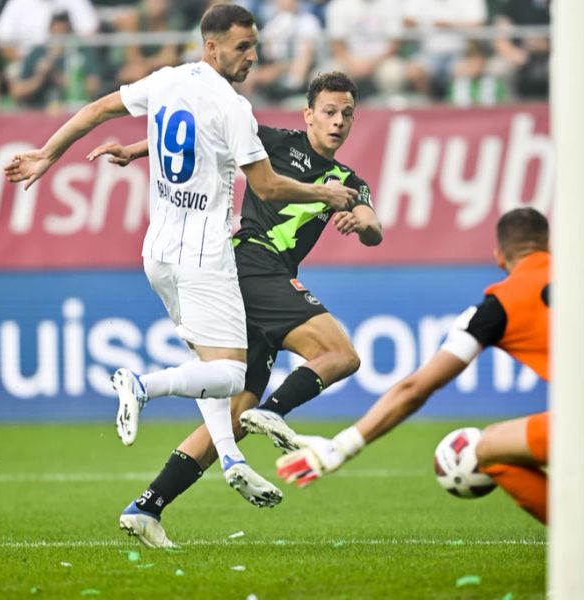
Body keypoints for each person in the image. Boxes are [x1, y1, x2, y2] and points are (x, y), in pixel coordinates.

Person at [3, 3, 358, 548]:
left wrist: (49, 155)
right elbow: (265, 187)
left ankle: (164, 498)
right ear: (212, 47)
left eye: (254, 45)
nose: (252, 56)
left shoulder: (167, 81)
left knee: (228, 394)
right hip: (209, 256)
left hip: (157, 251)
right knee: (235, 377)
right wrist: (325, 194)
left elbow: (99, 108)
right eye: (243, 46)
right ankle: (142, 385)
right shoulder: (233, 107)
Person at [273, 207, 584, 593]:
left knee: (480, 451)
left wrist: (341, 446)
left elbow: (416, 388)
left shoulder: (499, 305)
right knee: (573, 425)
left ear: (500, 258)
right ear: (549, 245)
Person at [86, 70, 382, 547]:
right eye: (329, 111)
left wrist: (360, 223)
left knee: (234, 415)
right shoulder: (275, 141)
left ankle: (147, 506)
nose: (338, 121)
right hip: (250, 263)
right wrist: (137, 152)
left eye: (347, 113)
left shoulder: (348, 181)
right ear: (308, 114)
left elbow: (373, 225)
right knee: (341, 355)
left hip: (251, 279)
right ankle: (276, 413)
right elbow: (205, 141)